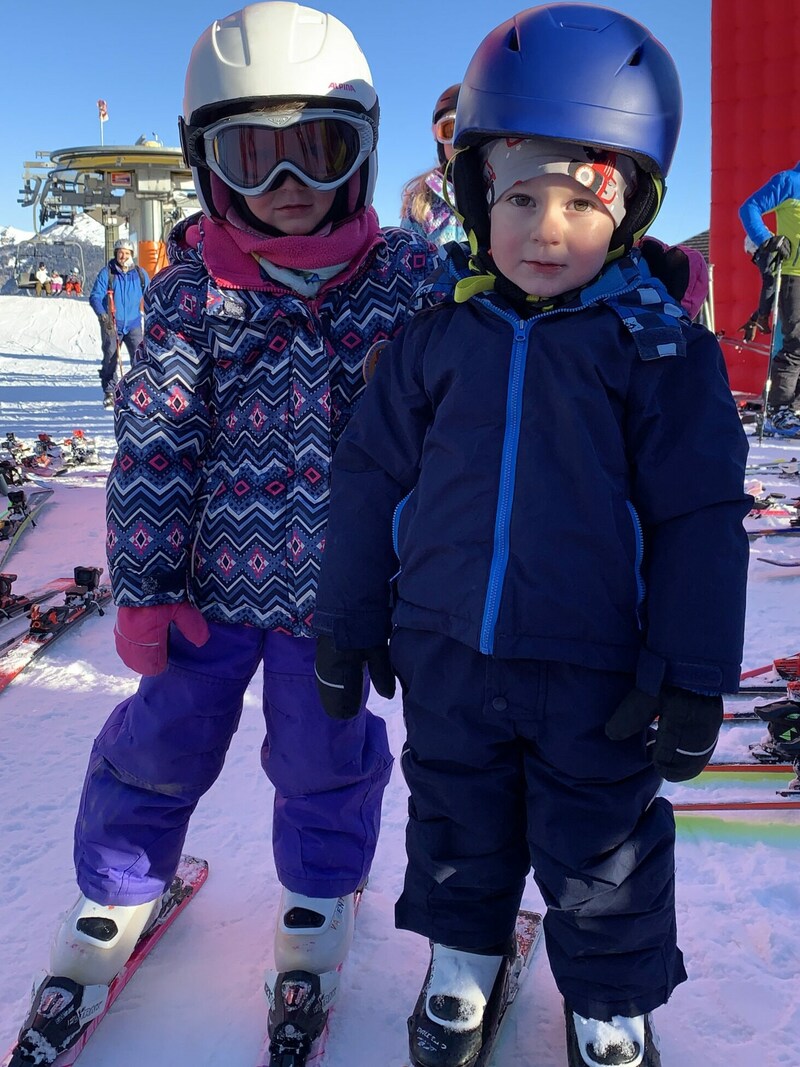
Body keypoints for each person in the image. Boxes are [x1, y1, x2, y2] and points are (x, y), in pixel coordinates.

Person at [313, 6, 751, 1067]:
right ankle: (461, 962)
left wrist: (692, 671)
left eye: (576, 199)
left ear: (630, 207)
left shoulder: (658, 354)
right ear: (475, 200)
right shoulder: (433, 343)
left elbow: (697, 517)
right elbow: (369, 479)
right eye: (517, 195)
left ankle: (606, 1000)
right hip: (447, 651)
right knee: (457, 824)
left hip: (596, 670)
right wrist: (347, 616)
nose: (542, 227)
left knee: (600, 852)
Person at [5, 4, 437, 1065]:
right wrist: (145, 583)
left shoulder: (409, 283)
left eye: (315, 147)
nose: (283, 181)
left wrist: (622, 281)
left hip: (340, 606)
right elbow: (155, 447)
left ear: (361, 154)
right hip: (207, 590)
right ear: (208, 162)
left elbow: (478, 376)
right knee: (156, 748)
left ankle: (314, 900)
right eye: (252, 153)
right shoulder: (191, 290)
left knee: (324, 757)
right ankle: (115, 893)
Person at [739, 160, 800, 436]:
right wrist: (766, 240)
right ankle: (779, 410)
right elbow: (749, 207)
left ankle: (794, 407)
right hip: (792, 275)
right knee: (796, 344)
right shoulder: (788, 181)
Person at [400, 83, 466, 250]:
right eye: (450, 130)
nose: (461, 142)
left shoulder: (504, 189)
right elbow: (408, 259)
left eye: (471, 130)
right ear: (438, 137)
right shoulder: (422, 202)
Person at [89, 238, 149, 407]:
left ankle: (139, 389)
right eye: (120, 252)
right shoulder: (107, 273)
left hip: (133, 323)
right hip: (112, 322)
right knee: (110, 357)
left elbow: (151, 294)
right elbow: (95, 297)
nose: (123, 256)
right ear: (116, 254)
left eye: (127, 253)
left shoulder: (139, 274)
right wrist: (103, 315)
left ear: (132, 255)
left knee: (139, 357)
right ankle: (110, 391)